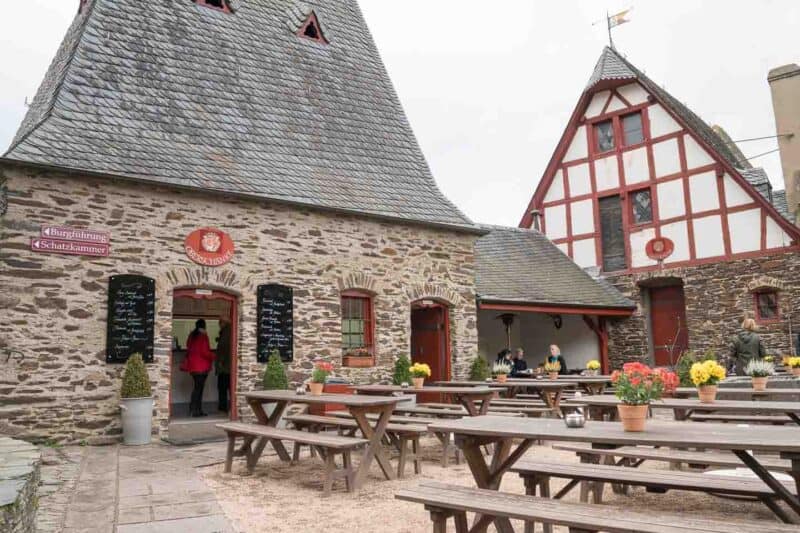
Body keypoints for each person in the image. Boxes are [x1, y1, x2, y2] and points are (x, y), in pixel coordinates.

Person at [184, 319, 216, 417]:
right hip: (201, 367)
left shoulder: (192, 335)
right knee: (199, 388)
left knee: (197, 388)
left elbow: (188, 347)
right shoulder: (203, 336)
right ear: (204, 326)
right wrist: (214, 356)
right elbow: (204, 352)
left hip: (193, 366)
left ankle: (195, 410)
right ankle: (195, 410)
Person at [215, 317, 232, 413]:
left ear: (223, 323)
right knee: (228, 387)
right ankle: (229, 406)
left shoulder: (226, 333)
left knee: (222, 387)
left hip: (225, 367)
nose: (219, 325)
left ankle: (223, 407)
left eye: (220, 323)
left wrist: (220, 362)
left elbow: (224, 347)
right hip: (228, 366)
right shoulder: (229, 332)